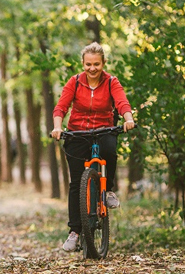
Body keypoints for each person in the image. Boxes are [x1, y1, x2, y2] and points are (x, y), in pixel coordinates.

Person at [51, 42, 135, 252]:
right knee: (76, 183)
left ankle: (108, 190)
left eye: (96, 64)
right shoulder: (75, 82)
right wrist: (57, 127)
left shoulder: (111, 82)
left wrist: (128, 118)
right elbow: (61, 107)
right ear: (83, 63)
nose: (92, 68)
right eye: (88, 64)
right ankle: (74, 232)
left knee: (109, 151)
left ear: (103, 63)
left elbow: (122, 103)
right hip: (78, 132)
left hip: (103, 130)